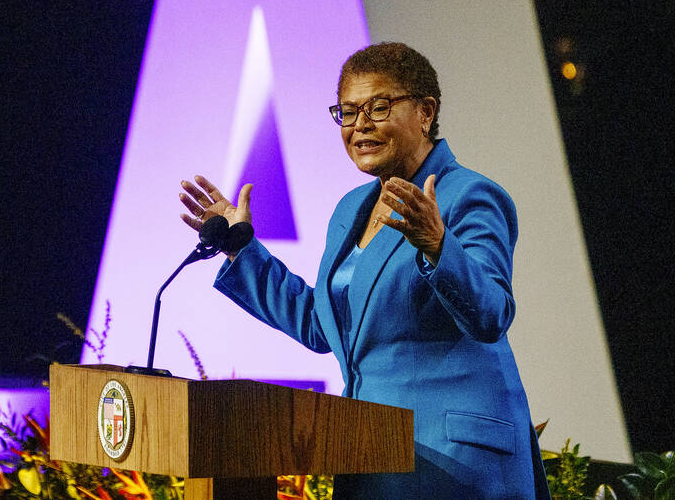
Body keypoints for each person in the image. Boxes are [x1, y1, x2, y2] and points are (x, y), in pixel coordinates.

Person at [178, 42, 550, 499]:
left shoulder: (468, 195)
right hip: (372, 451)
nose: (360, 126)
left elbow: (491, 314)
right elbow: (323, 326)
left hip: (454, 462)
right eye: (348, 112)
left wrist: (437, 244)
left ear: (425, 112)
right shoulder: (352, 208)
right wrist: (240, 249)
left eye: (378, 107)